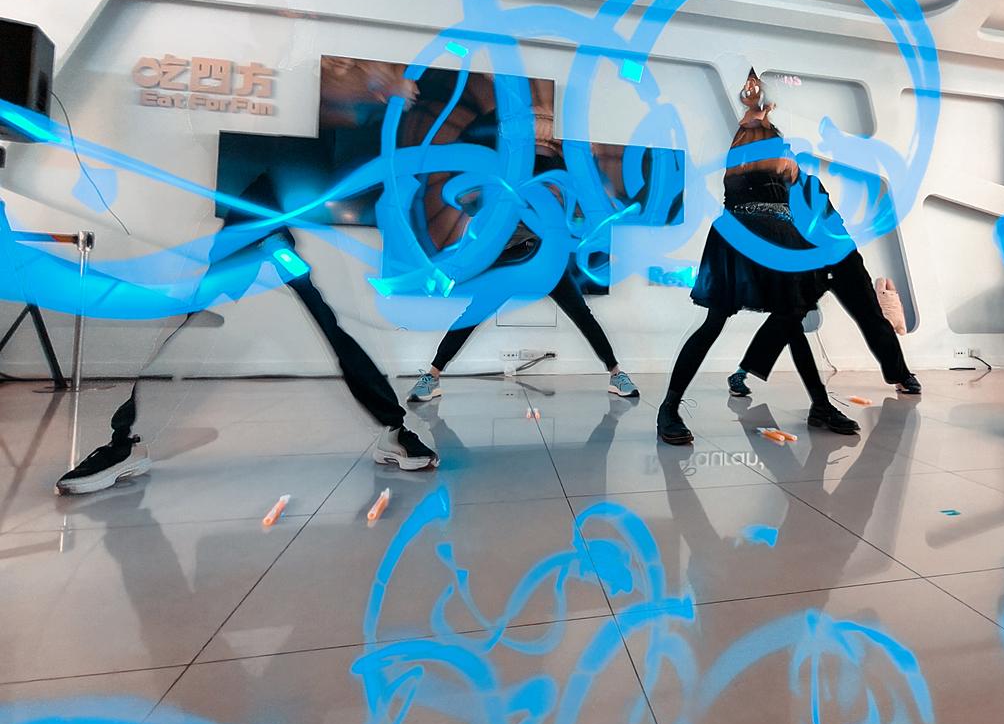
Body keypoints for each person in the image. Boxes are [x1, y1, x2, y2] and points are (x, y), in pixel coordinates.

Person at [56, 175, 438, 496]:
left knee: (322, 317)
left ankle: (394, 429)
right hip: (262, 210)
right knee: (198, 320)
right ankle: (126, 441)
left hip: (279, 211)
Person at [657, 70, 859, 444]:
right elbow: (754, 131)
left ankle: (819, 405)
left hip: (776, 240)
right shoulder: (747, 155)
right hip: (743, 238)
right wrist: (757, 112)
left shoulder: (776, 159)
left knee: (789, 322)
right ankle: (669, 407)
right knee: (718, 321)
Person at [403, 86, 638, 403]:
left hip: (546, 259)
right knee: (470, 316)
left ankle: (616, 373)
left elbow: (581, 213)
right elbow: (473, 204)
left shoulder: (561, 178)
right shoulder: (504, 176)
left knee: (582, 315)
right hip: (507, 258)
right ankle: (432, 376)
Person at [726, 175, 921, 399]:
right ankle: (741, 373)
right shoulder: (768, 191)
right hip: (808, 264)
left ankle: (902, 376)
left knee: (871, 315)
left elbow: (825, 221)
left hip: (842, 258)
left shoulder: (810, 184)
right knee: (786, 316)